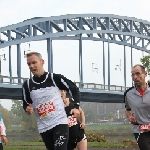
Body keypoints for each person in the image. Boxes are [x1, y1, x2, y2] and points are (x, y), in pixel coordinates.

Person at [22, 52, 80, 150]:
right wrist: (27, 109)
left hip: (59, 123)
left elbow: (74, 89)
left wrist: (76, 106)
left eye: (34, 63)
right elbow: (26, 104)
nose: (31, 66)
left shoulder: (55, 78)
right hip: (44, 127)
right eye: (29, 64)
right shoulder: (27, 85)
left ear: (42, 62)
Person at [124, 64, 150, 150]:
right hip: (139, 129)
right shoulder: (128, 94)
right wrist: (129, 117)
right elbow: (127, 109)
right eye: (133, 75)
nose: (135, 77)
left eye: (138, 73)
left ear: (145, 74)